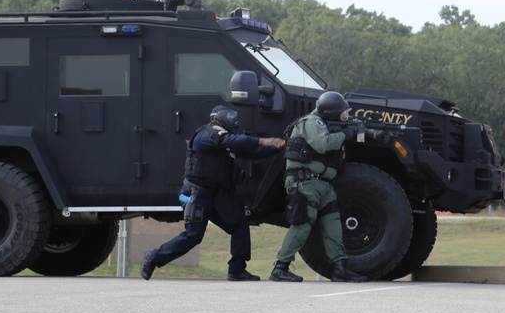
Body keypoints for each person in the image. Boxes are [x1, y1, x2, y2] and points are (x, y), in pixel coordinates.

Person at [141, 105, 285, 281]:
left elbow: (251, 152)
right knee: (193, 235)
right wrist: (264, 140)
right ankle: (153, 258)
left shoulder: (225, 140)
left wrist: (278, 148)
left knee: (239, 223)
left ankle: (237, 270)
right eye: (231, 117)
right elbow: (234, 140)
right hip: (193, 194)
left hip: (216, 195)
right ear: (221, 118)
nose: (234, 121)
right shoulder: (209, 134)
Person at [269, 91, 373, 283]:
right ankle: (280, 267)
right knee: (302, 224)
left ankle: (340, 268)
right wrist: (345, 134)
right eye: (342, 113)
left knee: (333, 225)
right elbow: (322, 144)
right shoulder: (312, 122)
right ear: (331, 112)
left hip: (323, 185)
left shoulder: (324, 124)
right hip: (305, 183)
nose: (345, 116)